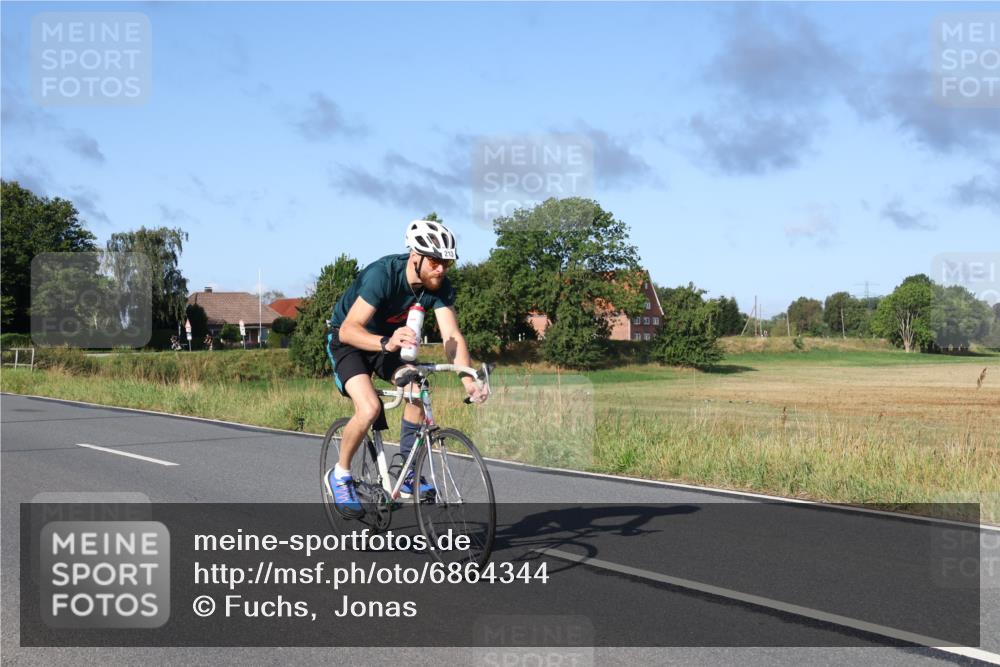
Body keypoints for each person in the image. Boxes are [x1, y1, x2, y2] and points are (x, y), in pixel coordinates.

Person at [324, 220, 488, 519]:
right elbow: (348, 330)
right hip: (350, 341)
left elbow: (452, 335)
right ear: (415, 256)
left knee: (417, 388)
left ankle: (407, 473)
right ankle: (340, 475)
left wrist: (467, 377)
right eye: (435, 262)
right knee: (370, 408)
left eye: (447, 263)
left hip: (389, 342)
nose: (441, 269)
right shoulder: (383, 276)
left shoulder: (439, 286)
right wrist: (386, 342)